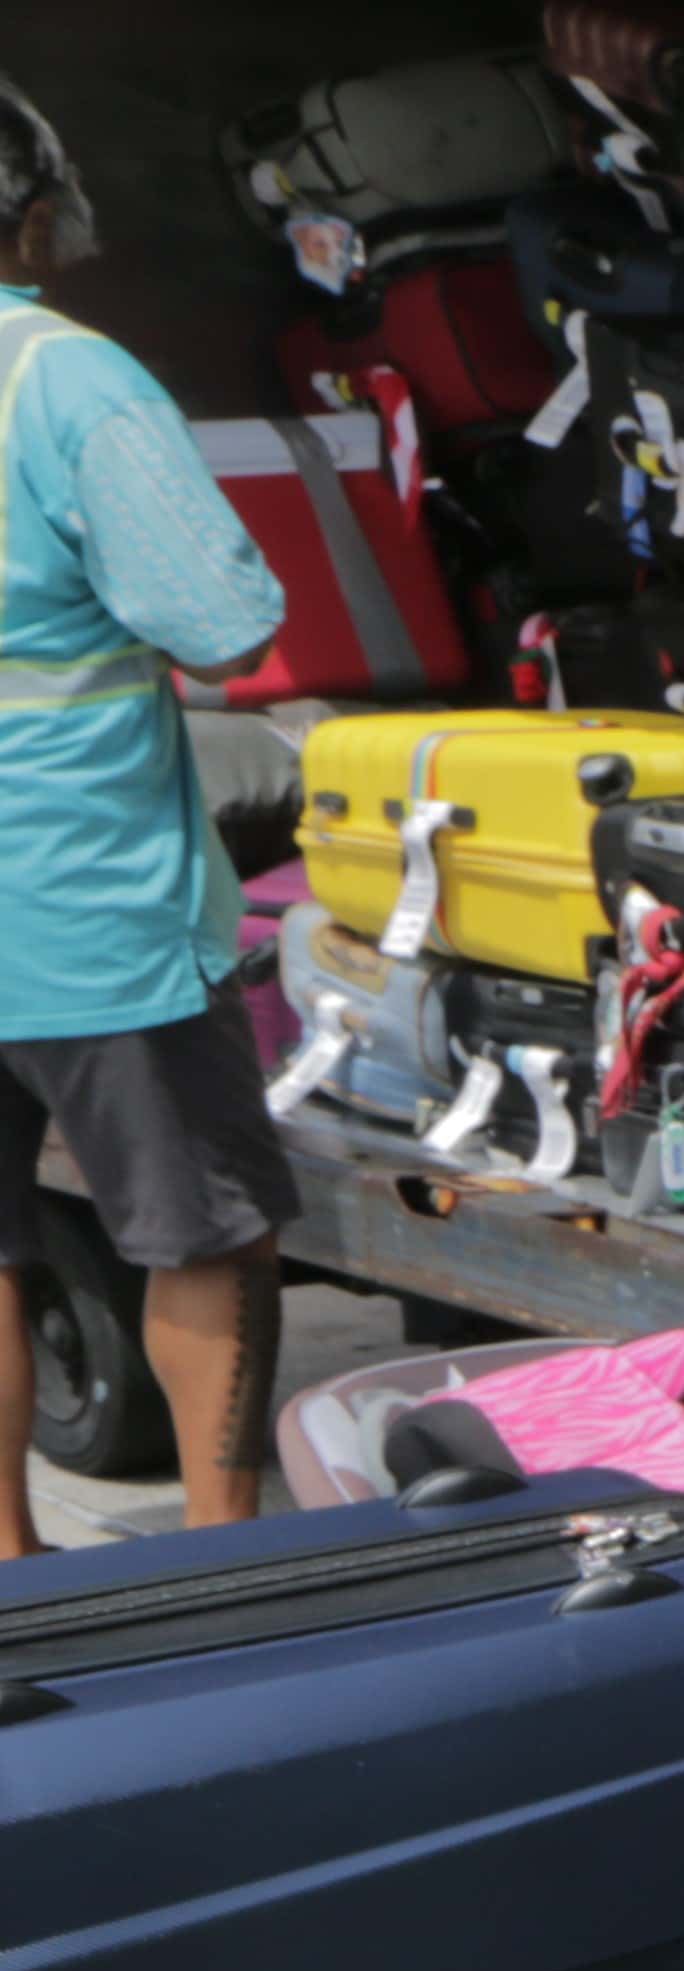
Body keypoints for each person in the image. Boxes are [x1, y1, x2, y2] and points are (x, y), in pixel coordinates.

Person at [0, 79, 293, 1559]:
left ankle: (11, 1583)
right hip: (79, 904)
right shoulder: (64, 378)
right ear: (35, 220)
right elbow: (221, 620)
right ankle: (220, 1570)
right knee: (210, 1227)